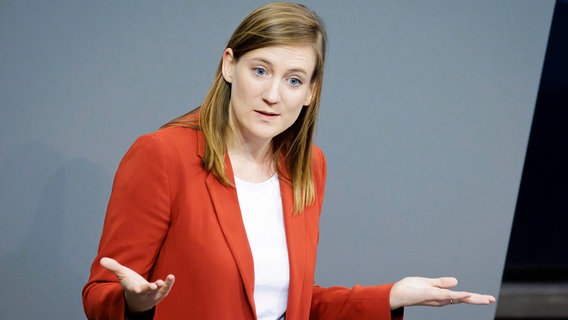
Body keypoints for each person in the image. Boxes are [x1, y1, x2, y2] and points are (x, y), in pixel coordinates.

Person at [82, 2, 495, 319]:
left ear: (311, 91)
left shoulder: (307, 166)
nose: (274, 95)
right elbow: (99, 293)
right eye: (260, 70)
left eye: (294, 79)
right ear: (229, 65)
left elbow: (292, 303)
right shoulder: (162, 155)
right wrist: (135, 304)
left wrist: (391, 295)